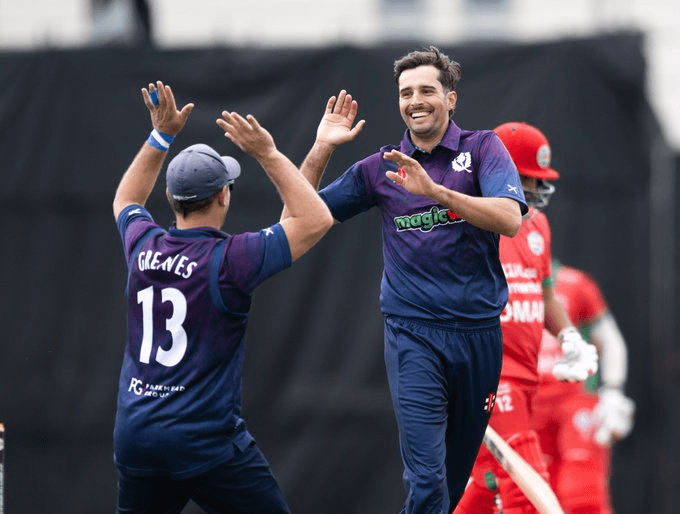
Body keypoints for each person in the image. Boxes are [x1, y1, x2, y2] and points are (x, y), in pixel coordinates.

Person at [285, 46, 528, 513]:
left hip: (479, 335)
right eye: (406, 93)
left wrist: (435, 191)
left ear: (450, 98)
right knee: (427, 481)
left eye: (426, 90)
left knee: (449, 488)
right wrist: (321, 148)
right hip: (413, 334)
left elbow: (509, 219)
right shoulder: (382, 167)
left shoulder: (482, 148)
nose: (415, 101)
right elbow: (297, 216)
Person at [111, 80, 333, 513]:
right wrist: (268, 153)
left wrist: (161, 135)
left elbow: (127, 197)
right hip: (202, 442)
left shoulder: (143, 245)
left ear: (171, 198)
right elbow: (316, 219)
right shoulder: (230, 259)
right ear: (223, 195)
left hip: (137, 435)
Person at [453, 122, 599, 514]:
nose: (537, 188)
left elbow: (544, 293)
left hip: (525, 374)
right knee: (525, 484)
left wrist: (569, 338)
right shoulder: (469, 219)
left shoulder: (538, 224)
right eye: (529, 178)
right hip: (488, 374)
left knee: (488, 484)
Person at [533, 261, 635, 514]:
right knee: (533, 495)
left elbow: (610, 339)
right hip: (528, 403)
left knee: (582, 494)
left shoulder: (576, 284)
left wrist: (613, 392)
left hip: (575, 399)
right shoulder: (500, 285)